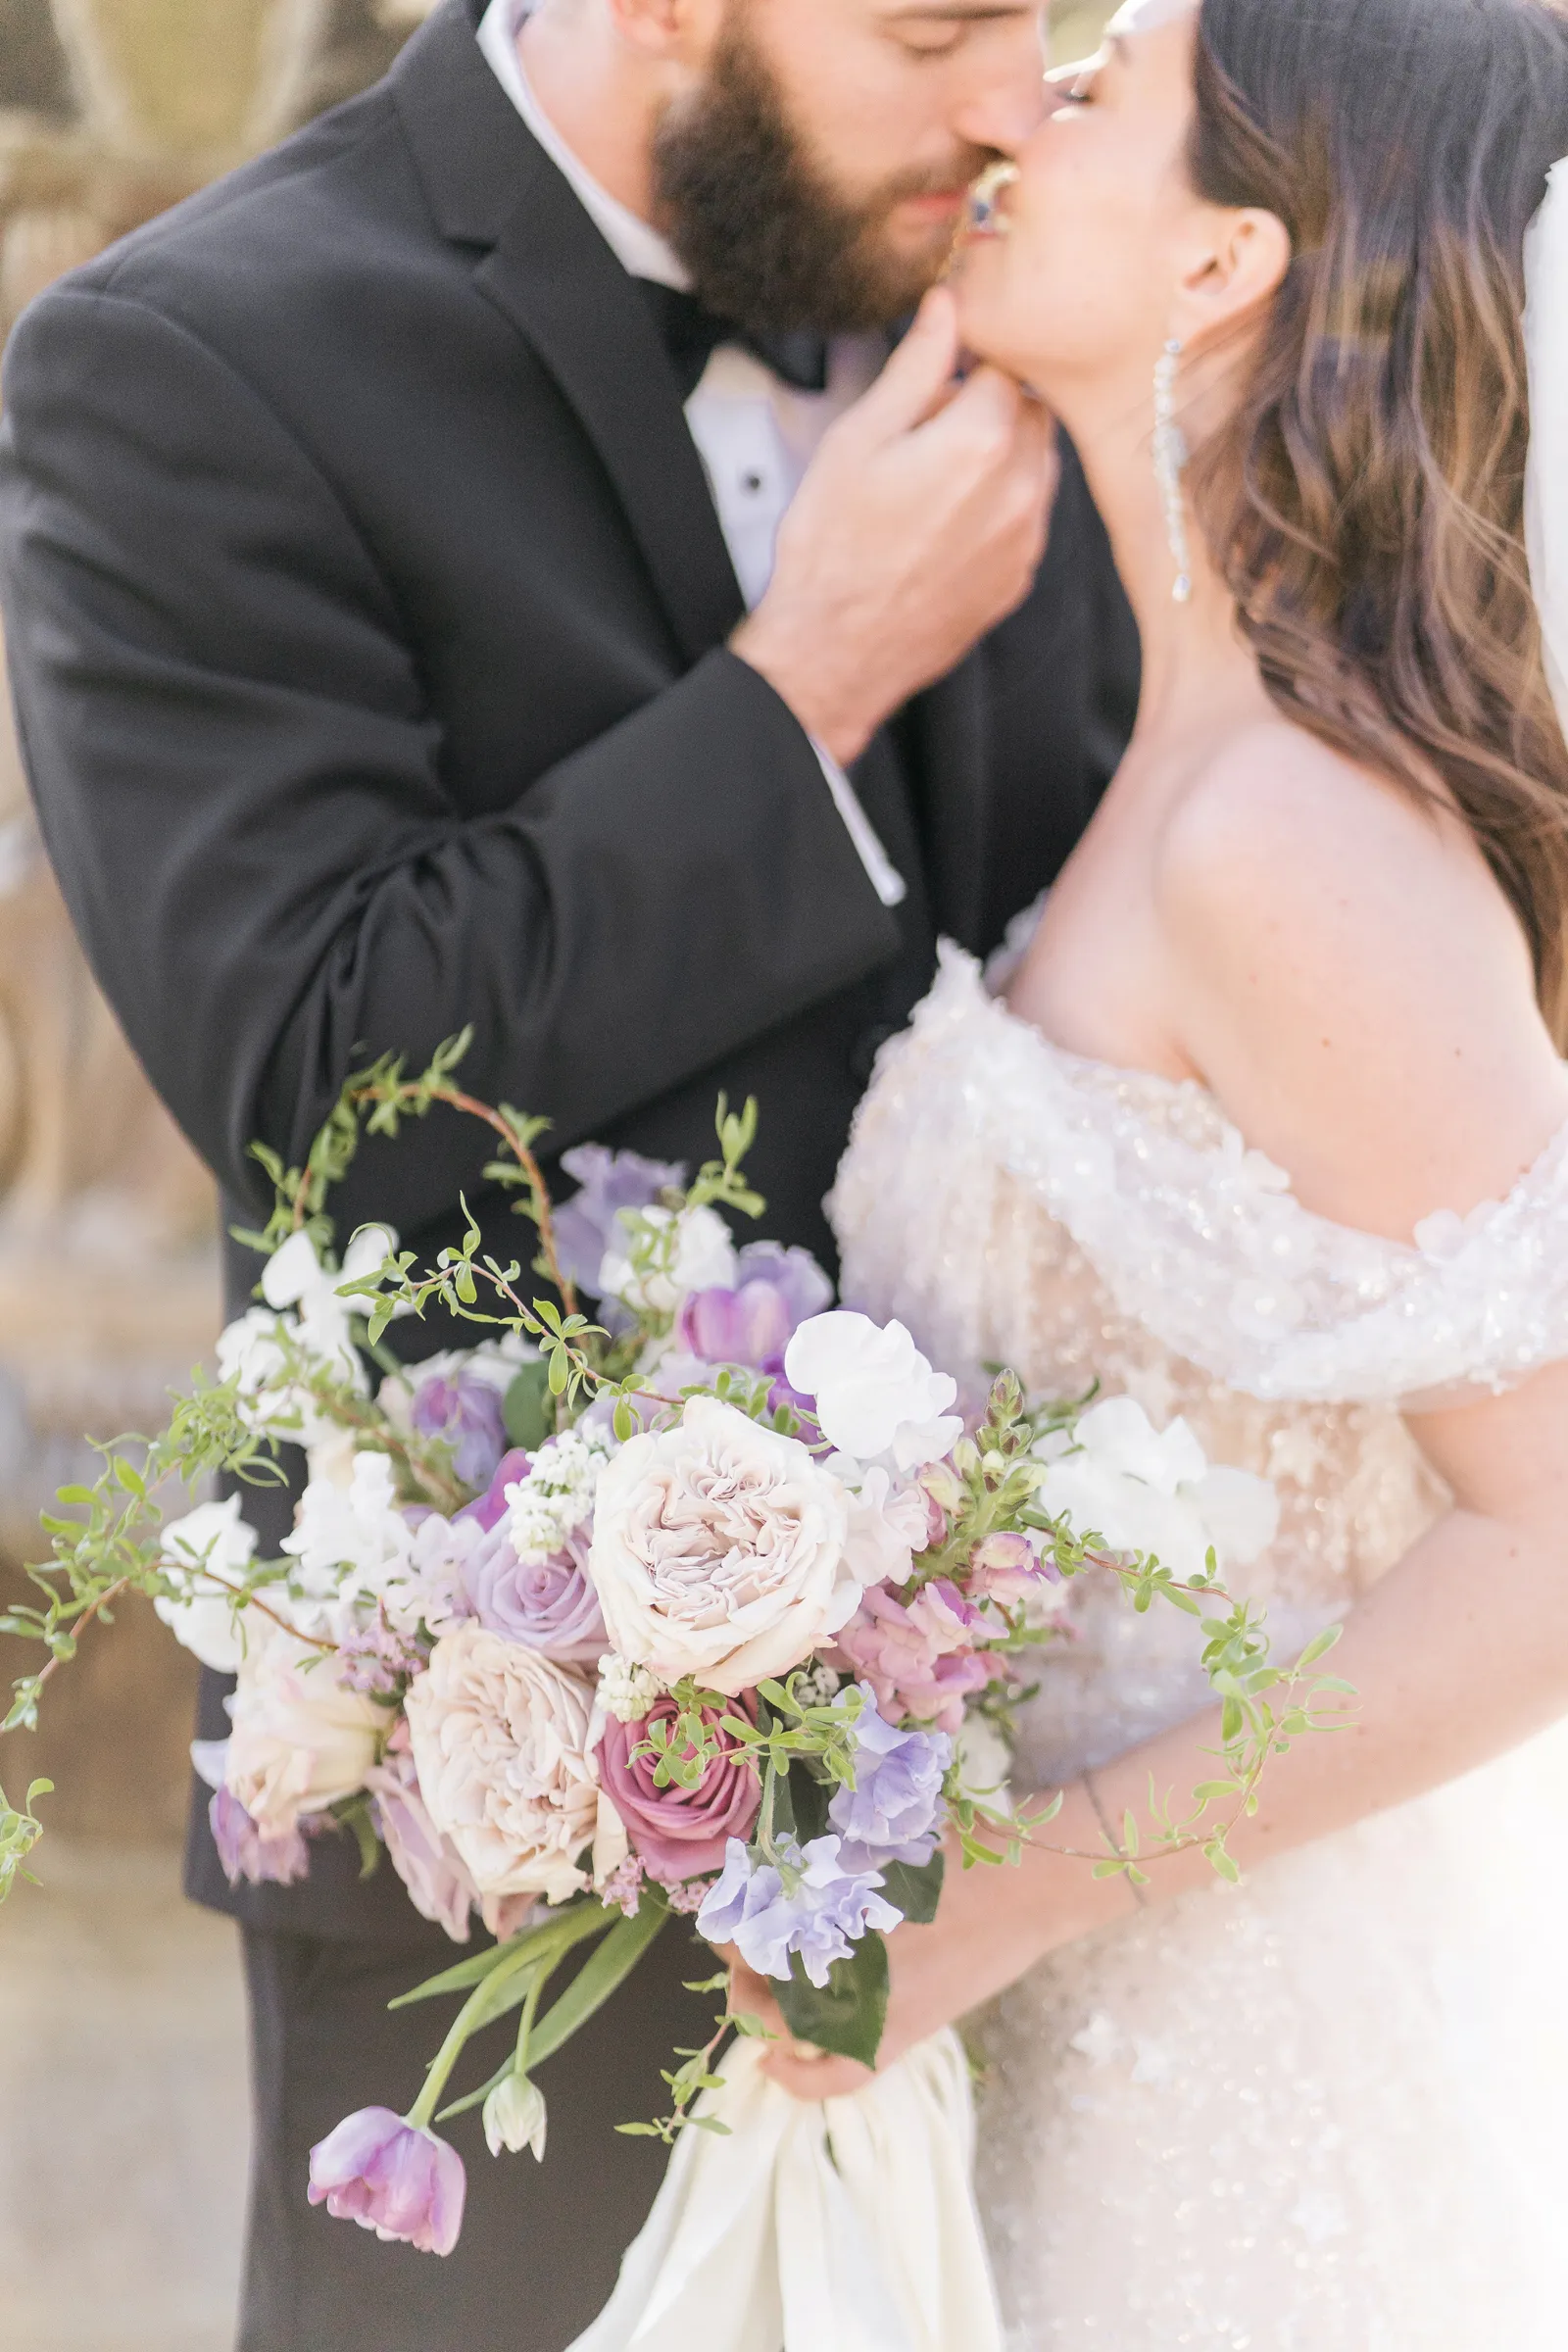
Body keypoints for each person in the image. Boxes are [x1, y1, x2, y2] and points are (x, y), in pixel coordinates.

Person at [0, 0, 1138, 2346]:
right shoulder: (186, 364)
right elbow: (313, 1081)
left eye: (1050, 20)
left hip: (1086, 1843)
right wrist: (798, 692)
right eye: (940, 26)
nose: (1015, 101)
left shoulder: (1029, 296)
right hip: (502, 1867)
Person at [735, 0, 1568, 2341]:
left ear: (1224, 268)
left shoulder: (1288, 839)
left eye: (1093, 93)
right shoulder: (1184, 767)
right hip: (1061, 2043)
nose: (1016, 105)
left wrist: (1004, 1895)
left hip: (1227, 2093)